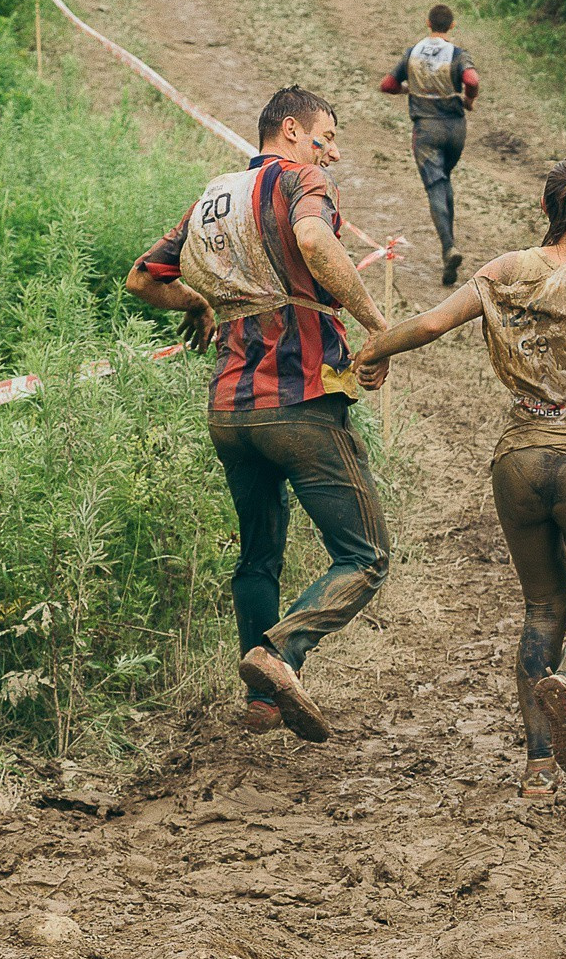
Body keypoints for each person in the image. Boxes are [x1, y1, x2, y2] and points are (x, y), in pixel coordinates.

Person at [358, 159, 566, 797]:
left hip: (519, 464)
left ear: (545, 210)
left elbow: (428, 325)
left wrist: (374, 349)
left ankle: (538, 766)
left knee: (542, 606)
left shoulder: (504, 271)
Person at [125, 86, 393, 743]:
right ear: (294, 132)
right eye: (326, 137)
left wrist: (194, 299)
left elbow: (141, 277)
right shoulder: (303, 181)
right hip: (298, 400)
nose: (331, 153)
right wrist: (378, 325)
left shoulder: (213, 195)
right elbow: (312, 238)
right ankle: (281, 653)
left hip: (229, 409)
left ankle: (262, 704)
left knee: (258, 555)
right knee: (365, 554)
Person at [380, 4, 480, 286]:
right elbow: (471, 79)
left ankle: (448, 247)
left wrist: (406, 89)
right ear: (452, 26)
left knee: (435, 185)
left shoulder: (414, 52)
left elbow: (387, 84)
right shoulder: (458, 54)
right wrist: (469, 100)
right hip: (456, 129)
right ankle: (451, 253)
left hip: (426, 129)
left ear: (427, 23)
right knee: (444, 180)